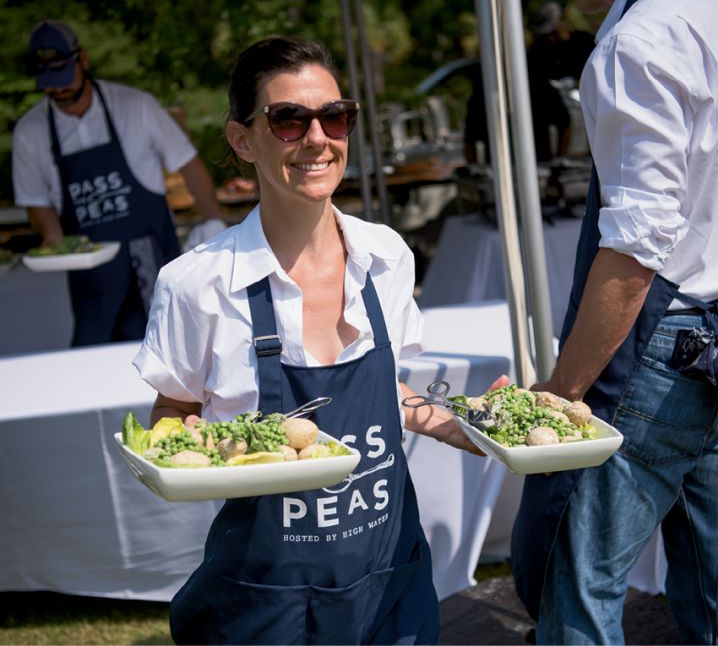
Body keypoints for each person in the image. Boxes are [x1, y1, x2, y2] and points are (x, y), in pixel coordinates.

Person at [132, 36, 481, 645]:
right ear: (243, 140)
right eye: (289, 119)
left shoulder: (386, 257)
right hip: (267, 597)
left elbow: (379, 392)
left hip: (388, 577)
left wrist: (466, 424)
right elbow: (176, 412)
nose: (317, 137)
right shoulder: (197, 284)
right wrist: (185, 443)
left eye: (334, 116)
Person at [502, 0, 718, 644]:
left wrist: (561, 394)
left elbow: (635, 251)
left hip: (659, 350)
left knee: (576, 591)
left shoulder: (637, 43)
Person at [12, 20, 227, 347]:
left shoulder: (135, 107)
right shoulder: (30, 132)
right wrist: (52, 236)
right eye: (48, 83)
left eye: (63, 78)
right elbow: (35, 202)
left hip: (152, 260)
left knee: (170, 346)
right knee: (96, 355)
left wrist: (214, 223)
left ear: (82, 59)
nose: (58, 90)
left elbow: (188, 164)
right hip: (90, 272)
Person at [526, 0, 595, 161]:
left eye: (552, 31)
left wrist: (576, 84)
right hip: (554, 106)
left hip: (586, 101)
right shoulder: (539, 50)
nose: (550, 38)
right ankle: (557, 159)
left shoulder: (584, 42)